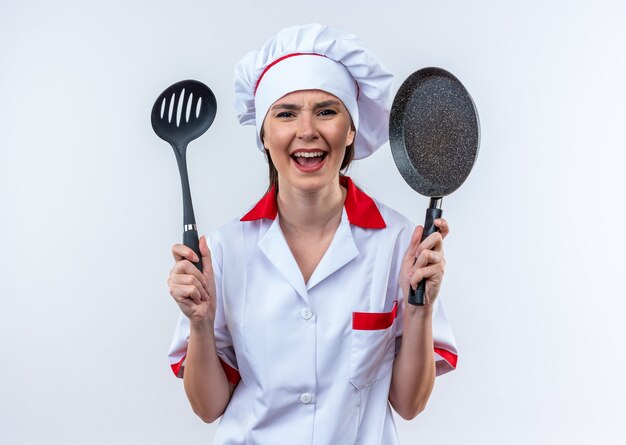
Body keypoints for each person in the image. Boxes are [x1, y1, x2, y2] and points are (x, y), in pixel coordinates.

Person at [167, 23, 457, 445]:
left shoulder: (400, 244)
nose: (307, 131)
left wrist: (419, 310)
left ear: (352, 130)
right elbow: (209, 408)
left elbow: (409, 405)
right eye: (285, 114)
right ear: (264, 135)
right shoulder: (223, 251)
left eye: (326, 111)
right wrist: (199, 323)